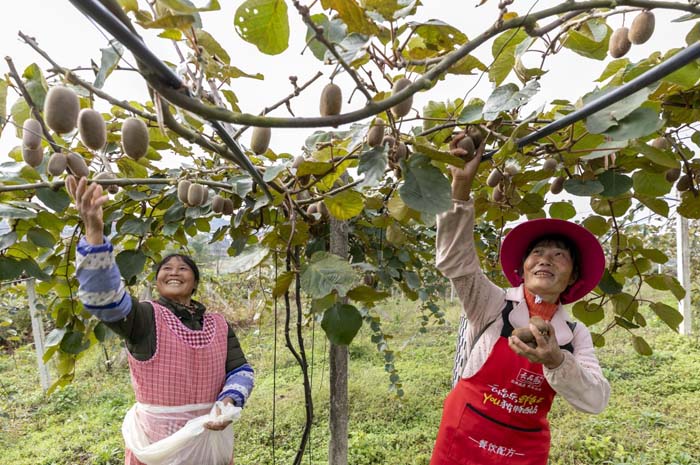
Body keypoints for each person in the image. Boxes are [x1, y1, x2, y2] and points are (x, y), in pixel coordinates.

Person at [430, 147, 611, 465]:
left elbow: (596, 399)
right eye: (538, 252)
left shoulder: (572, 334)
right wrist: (459, 188)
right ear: (524, 267)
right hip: (465, 433)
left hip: (522, 450)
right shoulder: (492, 303)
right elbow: (456, 260)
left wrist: (557, 360)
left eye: (559, 254)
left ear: (573, 277)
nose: (545, 258)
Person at [66, 175, 254, 465]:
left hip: (209, 438)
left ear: (194, 283)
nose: (174, 271)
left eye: (183, 268)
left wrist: (229, 401)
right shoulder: (144, 318)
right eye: (166, 268)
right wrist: (94, 231)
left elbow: (240, 369)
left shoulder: (218, 324)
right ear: (157, 283)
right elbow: (104, 301)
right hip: (158, 442)